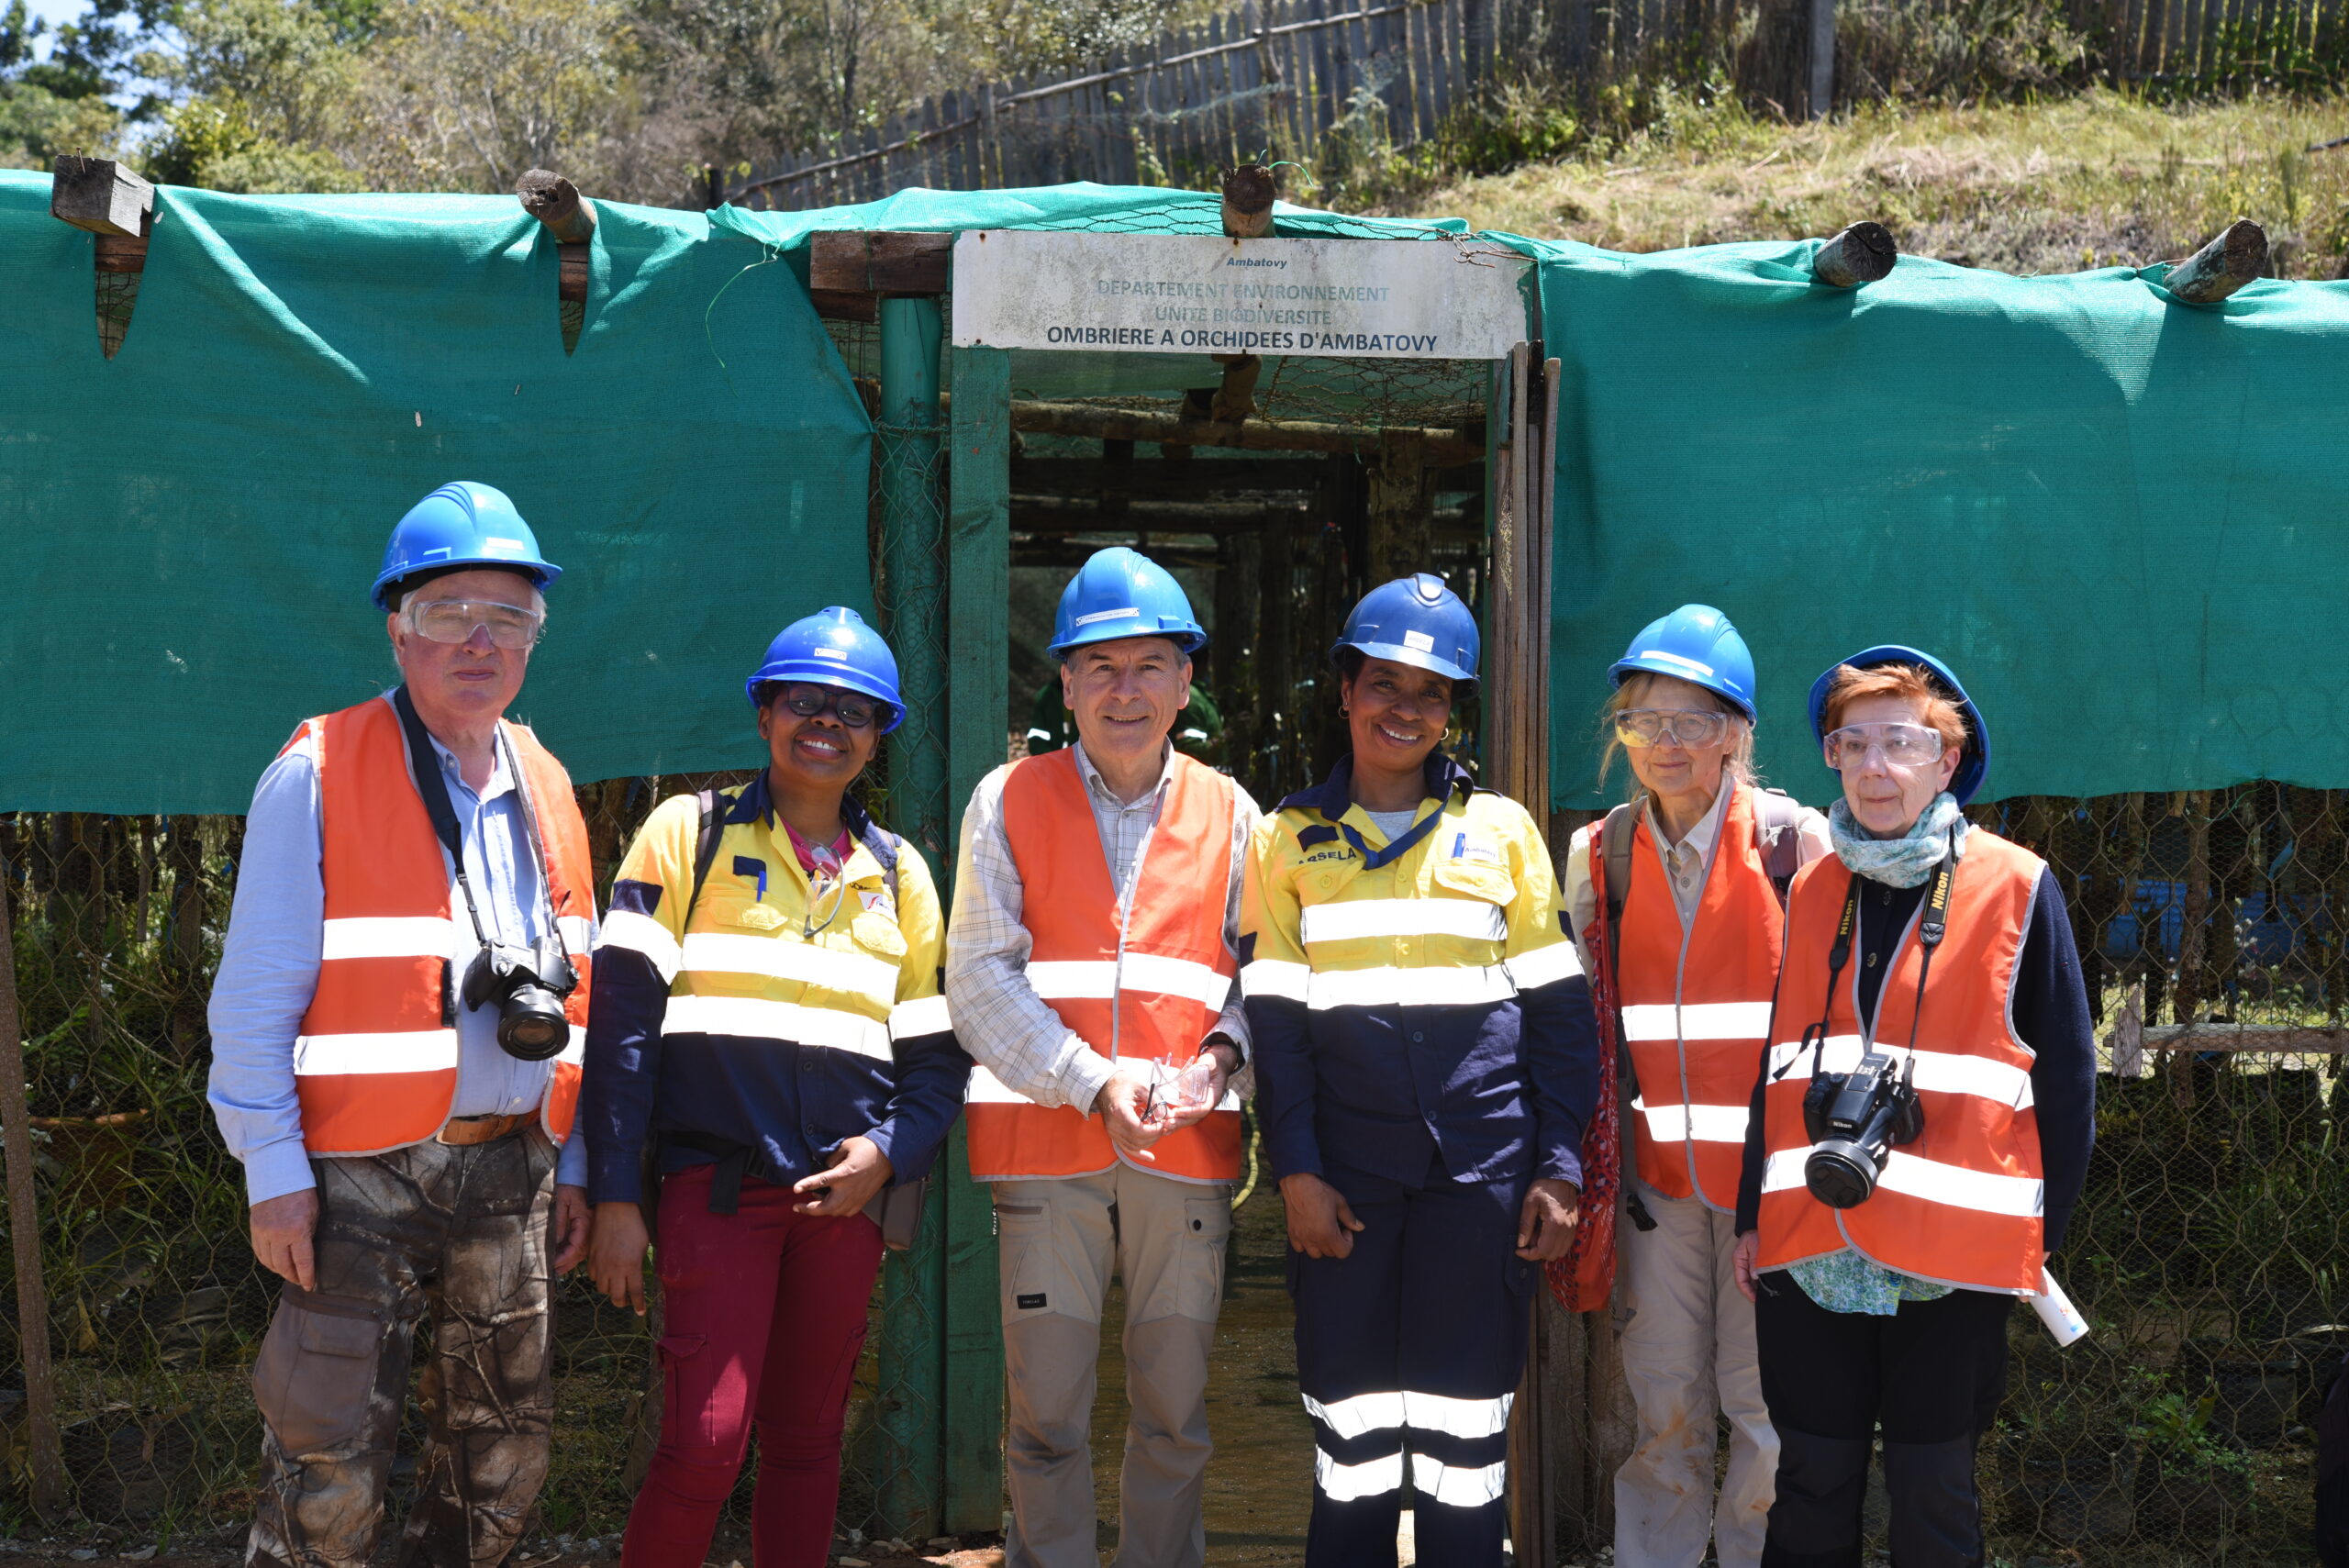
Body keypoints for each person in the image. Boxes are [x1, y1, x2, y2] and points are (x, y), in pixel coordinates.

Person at [206, 481, 596, 1568]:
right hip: (355, 1178)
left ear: (534, 636)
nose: (480, 639)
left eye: (509, 616)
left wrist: (575, 1160)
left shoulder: (548, 780)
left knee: (499, 1466)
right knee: (326, 1462)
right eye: (447, 612)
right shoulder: (318, 768)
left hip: (514, 1169)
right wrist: (271, 1169)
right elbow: (252, 998)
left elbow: (581, 993)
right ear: (397, 627)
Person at [581, 606, 968, 1568]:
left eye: (854, 711)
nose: (827, 723)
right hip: (715, 1190)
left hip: (844, 1201)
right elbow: (621, 1030)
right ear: (764, 714)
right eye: (804, 701)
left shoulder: (900, 875)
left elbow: (935, 1061)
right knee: (705, 1444)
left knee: (807, 1439)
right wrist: (617, 1194)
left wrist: (887, 1156)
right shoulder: (689, 833)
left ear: (877, 737)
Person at [1242, 573, 1596, 1568]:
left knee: (1465, 1450)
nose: (1405, 708)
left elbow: (1561, 1019)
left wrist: (1558, 1165)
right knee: (1350, 1448)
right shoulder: (1285, 839)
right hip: (1345, 1183)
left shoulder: (1504, 832)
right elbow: (1276, 1029)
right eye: (1384, 683)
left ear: (1453, 711)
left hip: (1480, 1183)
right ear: (1344, 690)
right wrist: (1297, 1172)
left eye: (1431, 692)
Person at [1731, 647, 2097, 1568]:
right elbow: (1777, 1062)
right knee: (1809, 1483)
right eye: (1850, 743)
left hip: (1953, 1255)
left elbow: (2067, 1082)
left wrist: (2036, 1236)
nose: (1874, 766)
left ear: (1947, 759)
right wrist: (1748, 1215)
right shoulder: (1811, 887)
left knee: (1934, 1494)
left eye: (1901, 742)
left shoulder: (2016, 885)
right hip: (1811, 1237)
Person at [944, 546, 1258, 1568]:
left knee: (1174, 1414)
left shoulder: (1235, 813)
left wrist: (1221, 1057)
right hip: (1048, 1151)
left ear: (1185, 680)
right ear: (1067, 683)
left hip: (1186, 1157)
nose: (1126, 690)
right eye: (1102, 667)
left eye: (1149, 665)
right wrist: (1092, 1079)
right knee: (1045, 1419)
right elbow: (976, 979)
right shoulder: (1005, 798)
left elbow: (1265, 980)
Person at [1561, 606, 1830, 1568]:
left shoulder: (1794, 843)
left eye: (1691, 720)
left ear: (1734, 732)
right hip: (1656, 1187)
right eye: (1643, 720)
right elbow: (1585, 1016)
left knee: (1763, 1407)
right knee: (1663, 1399)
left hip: (1772, 1190)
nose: (1664, 742)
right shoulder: (1601, 853)